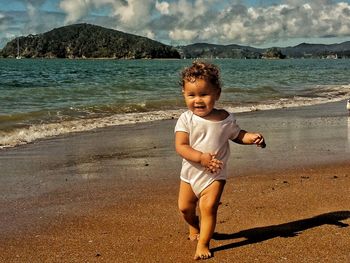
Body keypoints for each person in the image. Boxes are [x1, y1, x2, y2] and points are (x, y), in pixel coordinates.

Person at [174, 61, 266, 260]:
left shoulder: (225, 118)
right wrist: (201, 158)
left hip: (215, 173)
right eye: (191, 95)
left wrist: (252, 138)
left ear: (217, 93)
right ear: (183, 93)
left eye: (204, 94)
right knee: (184, 207)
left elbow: (238, 135)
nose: (197, 100)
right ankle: (193, 225)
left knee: (208, 207)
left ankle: (203, 243)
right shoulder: (186, 119)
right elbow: (181, 146)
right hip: (190, 173)